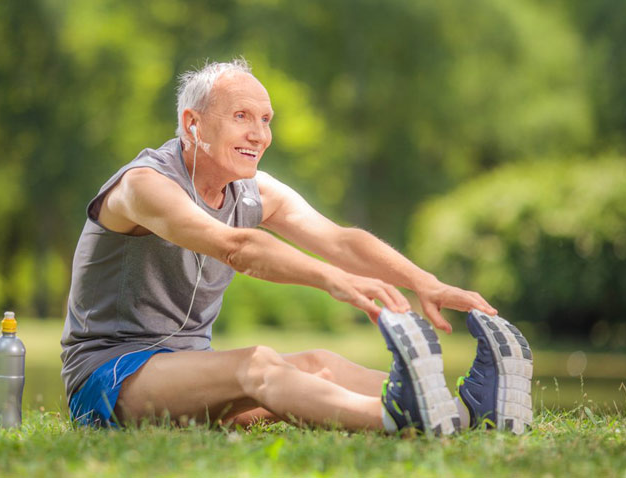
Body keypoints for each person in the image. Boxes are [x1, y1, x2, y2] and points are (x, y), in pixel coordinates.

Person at [60, 59, 534, 435]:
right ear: (193, 124)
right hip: (109, 378)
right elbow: (237, 247)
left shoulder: (250, 192)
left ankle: (467, 412)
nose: (259, 134)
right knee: (256, 365)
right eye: (241, 117)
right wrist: (333, 280)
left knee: (319, 365)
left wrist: (424, 283)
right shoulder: (143, 186)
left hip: (189, 372)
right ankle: (398, 416)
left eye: (265, 120)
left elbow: (339, 239)